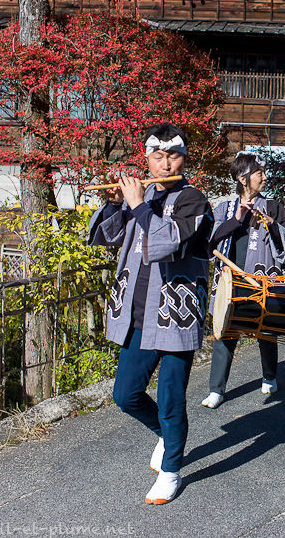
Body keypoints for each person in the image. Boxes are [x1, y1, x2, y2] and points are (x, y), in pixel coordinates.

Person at [87, 123, 213, 505]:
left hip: (176, 312)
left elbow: (168, 244)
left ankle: (172, 470)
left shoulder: (194, 199)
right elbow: (105, 238)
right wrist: (113, 203)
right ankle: (168, 435)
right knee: (125, 395)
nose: (163, 163)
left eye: (171, 155)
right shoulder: (138, 196)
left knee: (172, 395)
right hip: (137, 312)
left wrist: (139, 204)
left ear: (183, 157)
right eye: (156, 156)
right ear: (147, 157)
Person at [202, 151, 285, 409]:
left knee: (266, 329)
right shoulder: (224, 208)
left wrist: (272, 224)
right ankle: (216, 389)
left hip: (261, 278)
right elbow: (210, 243)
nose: (264, 177)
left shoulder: (274, 207)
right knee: (225, 331)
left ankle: (269, 375)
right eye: (259, 173)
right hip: (231, 278)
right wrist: (237, 219)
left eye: (263, 173)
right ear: (243, 179)